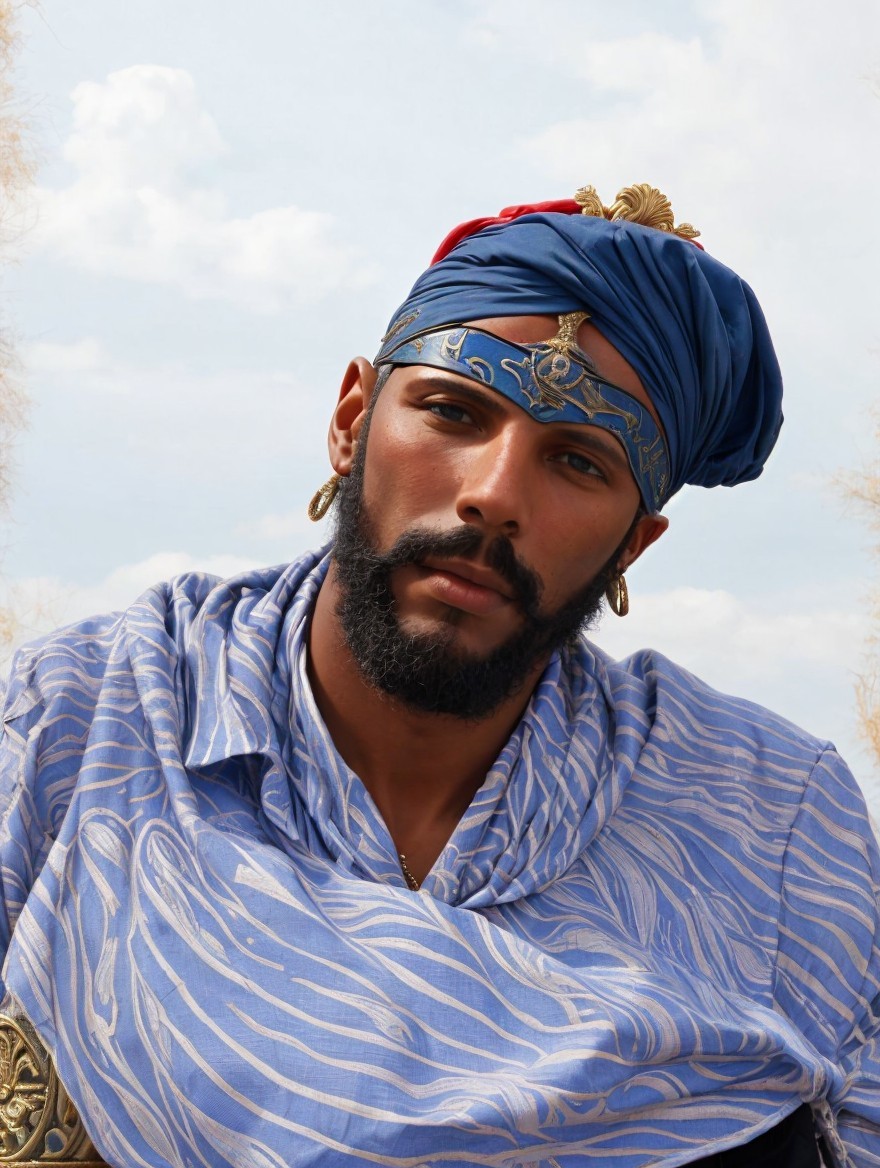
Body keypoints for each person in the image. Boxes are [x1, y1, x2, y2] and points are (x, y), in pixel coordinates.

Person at [0, 184, 877, 1168]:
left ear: (634, 542)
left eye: (578, 463)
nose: (494, 495)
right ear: (351, 419)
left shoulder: (772, 819)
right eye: (453, 410)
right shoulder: (90, 714)